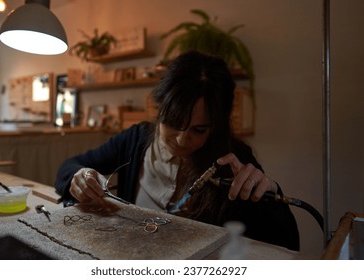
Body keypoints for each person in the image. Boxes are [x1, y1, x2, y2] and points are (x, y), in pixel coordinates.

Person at [55, 50, 300, 251]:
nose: (183, 140)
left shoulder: (234, 160)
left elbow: (285, 243)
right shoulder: (135, 139)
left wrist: (270, 195)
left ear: (216, 125)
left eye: (199, 129)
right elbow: (68, 167)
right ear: (159, 108)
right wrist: (81, 177)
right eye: (174, 123)